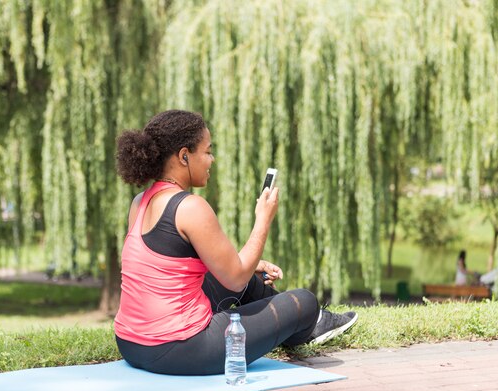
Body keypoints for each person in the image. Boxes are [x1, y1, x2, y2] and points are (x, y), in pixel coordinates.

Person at [113, 109, 358, 376]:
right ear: (184, 156)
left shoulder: (140, 202)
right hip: (181, 349)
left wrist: (249, 264)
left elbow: (169, 267)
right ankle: (310, 321)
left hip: (131, 344)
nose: (212, 159)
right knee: (303, 301)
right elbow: (236, 279)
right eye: (207, 151)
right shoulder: (190, 207)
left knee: (250, 279)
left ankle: (310, 326)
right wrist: (263, 219)